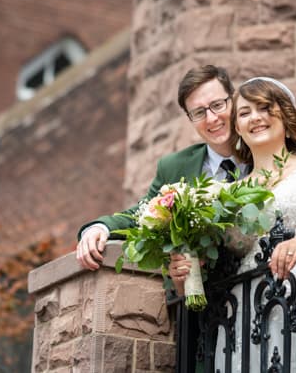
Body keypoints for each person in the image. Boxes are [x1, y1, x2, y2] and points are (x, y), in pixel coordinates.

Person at [76, 65, 249, 291]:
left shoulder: (265, 148)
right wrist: (99, 229)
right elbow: (140, 216)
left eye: (217, 105)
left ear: (233, 101)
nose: (211, 118)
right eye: (199, 113)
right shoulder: (175, 167)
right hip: (209, 307)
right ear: (190, 118)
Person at [203, 77, 296, 372]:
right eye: (244, 113)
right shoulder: (228, 194)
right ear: (237, 128)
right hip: (247, 307)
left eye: (264, 108)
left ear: (285, 113)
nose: (255, 118)